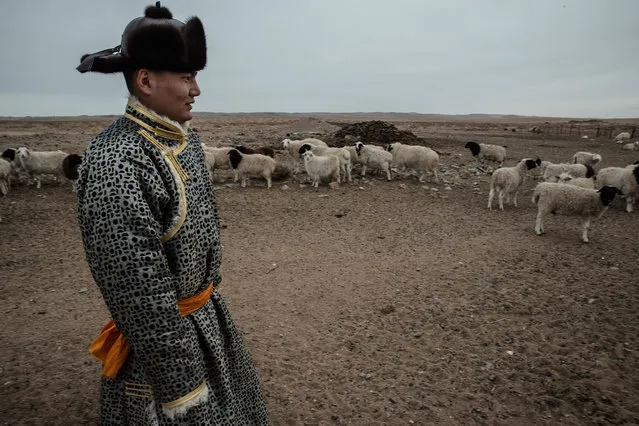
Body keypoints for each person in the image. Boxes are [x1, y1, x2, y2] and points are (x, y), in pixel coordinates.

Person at [75, 3, 269, 424]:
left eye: (195, 76)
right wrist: (184, 390)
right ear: (145, 80)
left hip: (206, 323)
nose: (196, 90)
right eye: (186, 77)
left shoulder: (184, 143)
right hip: (164, 354)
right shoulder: (119, 162)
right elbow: (138, 293)